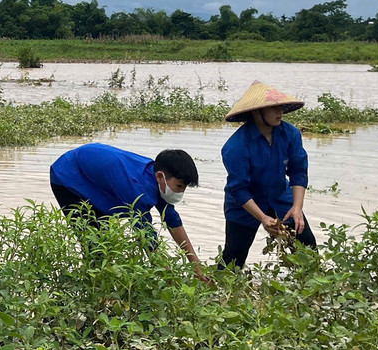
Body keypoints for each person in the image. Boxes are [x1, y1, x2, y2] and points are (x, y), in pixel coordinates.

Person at [49, 143, 209, 283]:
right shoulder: (136, 190)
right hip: (68, 176)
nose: (181, 192)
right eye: (179, 186)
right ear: (160, 176)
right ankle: (94, 290)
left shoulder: (158, 179)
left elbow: (172, 220)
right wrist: (168, 280)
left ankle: (101, 284)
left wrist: (196, 266)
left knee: (105, 240)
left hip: (98, 173)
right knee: (94, 245)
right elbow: (147, 238)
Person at [220, 81, 317, 268]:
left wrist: (297, 207)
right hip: (244, 205)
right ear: (257, 112)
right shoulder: (235, 146)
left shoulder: (291, 134)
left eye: (280, 107)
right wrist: (263, 218)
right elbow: (239, 189)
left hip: (281, 196)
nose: (279, 112)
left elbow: (298, 171)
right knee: (233, 259)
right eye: (273, 108)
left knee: (308, 249)